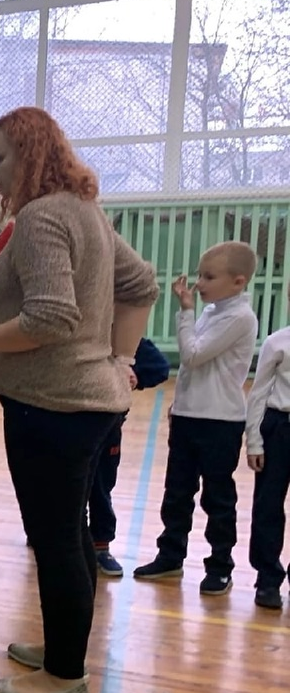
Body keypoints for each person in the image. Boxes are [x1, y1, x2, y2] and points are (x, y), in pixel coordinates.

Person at [0, 106, 159, 693]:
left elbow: (49, 318)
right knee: (68, 536)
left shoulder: (42, 217)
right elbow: (141, 284)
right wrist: (119, 359)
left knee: (57, 541)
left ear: (32, 154)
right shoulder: (84, 209)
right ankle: (64, 649)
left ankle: (65, 678)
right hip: (84, 403)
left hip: (53, 407)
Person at [133, 243, 258, 595]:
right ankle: (170, 556)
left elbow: (192, 355)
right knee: (177, 492)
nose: (199, 283)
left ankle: (220, 566)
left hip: (220, 421)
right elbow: (195, 372)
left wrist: (185, 312)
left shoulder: (240, 317)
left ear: (238, 282)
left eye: (209, 277)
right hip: (189, 417)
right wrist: (180, 404)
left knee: (217, 498)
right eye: (200, 275)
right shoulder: (214, 311)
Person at [86, 337, 169, 577]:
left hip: (108, 428)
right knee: (68, 487)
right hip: (73, 423)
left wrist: (135, 376)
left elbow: (159, 367)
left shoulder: (123, 340)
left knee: (101, 487)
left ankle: (100, 546)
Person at [245, 302, 290, 610]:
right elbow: (259, 392)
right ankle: (267, 578)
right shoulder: (277, 342)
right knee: (268, 505)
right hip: (279, 428)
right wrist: (254, 441)